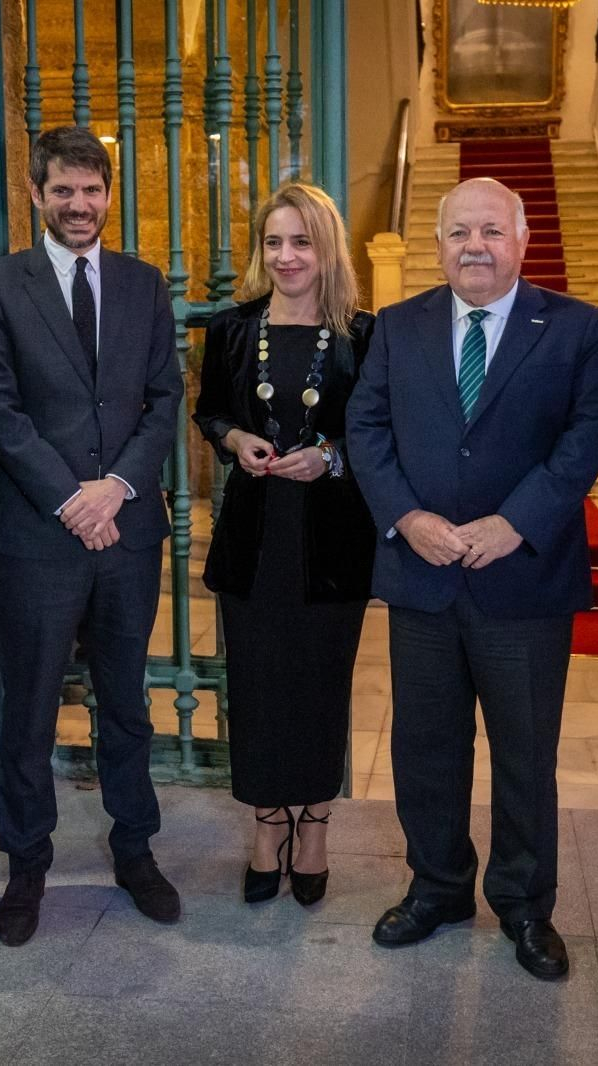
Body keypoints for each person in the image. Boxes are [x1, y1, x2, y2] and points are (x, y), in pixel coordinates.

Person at [346, 177, 598, 980]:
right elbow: (365, 429)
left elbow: (587, 433)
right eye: (460, 231)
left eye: (492, 231)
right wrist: (407, 518)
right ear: (437, 243)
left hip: (522, 580)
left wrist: (516, 523)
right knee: (426, 748)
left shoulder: (572, 326)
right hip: (423, 577)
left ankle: (527, 906)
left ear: (522, 239)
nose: (475, 246)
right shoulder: (397, 328)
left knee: (525, 753)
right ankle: (437, 889)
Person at [0, 126, 184, 946]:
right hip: (37, 535)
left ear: (108, 194)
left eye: (92, 190)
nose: (79, 204)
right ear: (36, 195)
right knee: (27, 710)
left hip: (127, 533)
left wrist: (117, 488)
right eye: (63, 190)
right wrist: (71, 499)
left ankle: (135, 850)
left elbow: (164, 399)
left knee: (125, 705)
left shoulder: (145, 285)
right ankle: (27, 866)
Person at [192, 184, 378, 906]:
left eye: (301, 241)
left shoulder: (365, 335)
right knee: (259, 685)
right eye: (274, 242)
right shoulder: (233, 329)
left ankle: (317, 825)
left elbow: (378, 432)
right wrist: (235, 438)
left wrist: (330, 457)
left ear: (327, 248)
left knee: (321, 686)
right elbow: (210, 411)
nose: (287, 256)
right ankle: (269, 824)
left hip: (332, 542)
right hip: (254, 537)